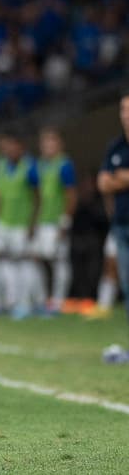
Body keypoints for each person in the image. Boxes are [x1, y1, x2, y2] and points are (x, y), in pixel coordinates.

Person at [0, 131, 41, 319]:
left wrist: (32, 223)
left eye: (14, 146)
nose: (11, 150)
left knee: (25, 264)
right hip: (4, 222)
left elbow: (37, 197)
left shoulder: (30, 167)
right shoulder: (1, 165)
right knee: (3, 263)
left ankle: (25, 303)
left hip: (22, 224)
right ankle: (8, 302)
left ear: (21, 147)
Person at [32, 126, 77, 313]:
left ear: (59, 144)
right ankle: (44, 299)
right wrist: (34, 220)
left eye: (52, 141)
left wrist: (65, 220)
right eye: (45, 142)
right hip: (43, 220)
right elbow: (37, 196)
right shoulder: (39, 165)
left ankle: (59, 300)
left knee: (59, 260)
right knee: (37, 258)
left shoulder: (65, 164)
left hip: (57, 220)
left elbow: (71, 194)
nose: (48, 146)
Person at [97, 91, 129, 342]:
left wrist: (118, 178)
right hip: (121, 225)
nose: (126, 115)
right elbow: (103, 184)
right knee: (127, 284)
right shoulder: (115, 147)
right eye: (123, 109)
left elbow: (112, 181)